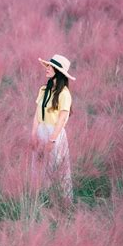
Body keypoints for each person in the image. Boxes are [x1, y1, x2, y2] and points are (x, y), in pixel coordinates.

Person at [30, 54, 75, 202]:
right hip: (41, 131)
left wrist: (52, 140)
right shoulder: (44, 90)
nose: (47, 68)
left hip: (54, 134)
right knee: (39, 166)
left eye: (51, 67)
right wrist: (33, 134)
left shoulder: (64, 94)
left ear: (58, 71)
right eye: (48, 66)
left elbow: (62, 120)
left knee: (55, 168)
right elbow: (37, 113)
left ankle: (58, 201)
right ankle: (40, 198)